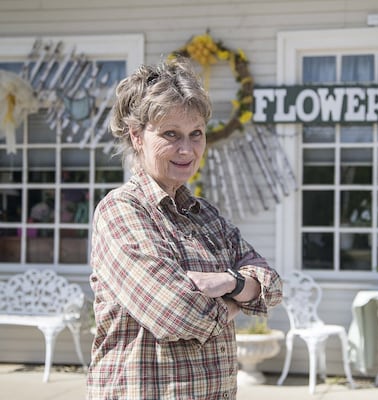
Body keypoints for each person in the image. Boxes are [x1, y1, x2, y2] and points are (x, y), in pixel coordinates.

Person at [86, 57, 283, 400]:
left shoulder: (205, 215)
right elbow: (175, 313)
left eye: (196, 134)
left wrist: (228, 281)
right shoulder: (121, 212)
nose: (186, 150)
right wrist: (239, 303)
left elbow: (273, 286)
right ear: (137, 136)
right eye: (170, 134)